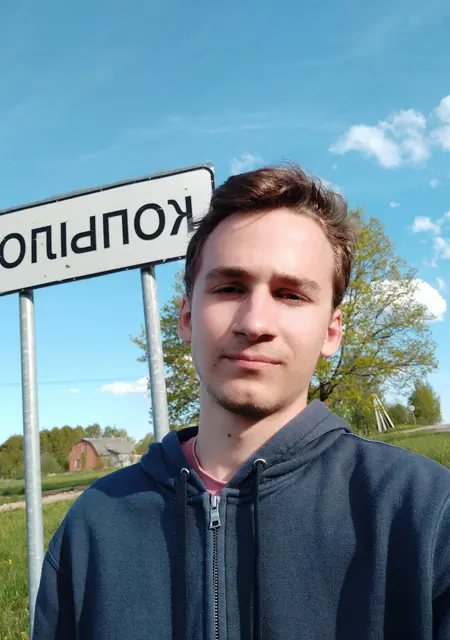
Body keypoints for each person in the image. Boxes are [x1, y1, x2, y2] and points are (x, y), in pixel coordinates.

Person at [33, 164, 450, 640]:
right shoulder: (93, 526)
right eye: (230, 288)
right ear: (187, 317)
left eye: (291, 295)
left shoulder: (426, 518)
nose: (255, 323)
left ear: (331, 332)